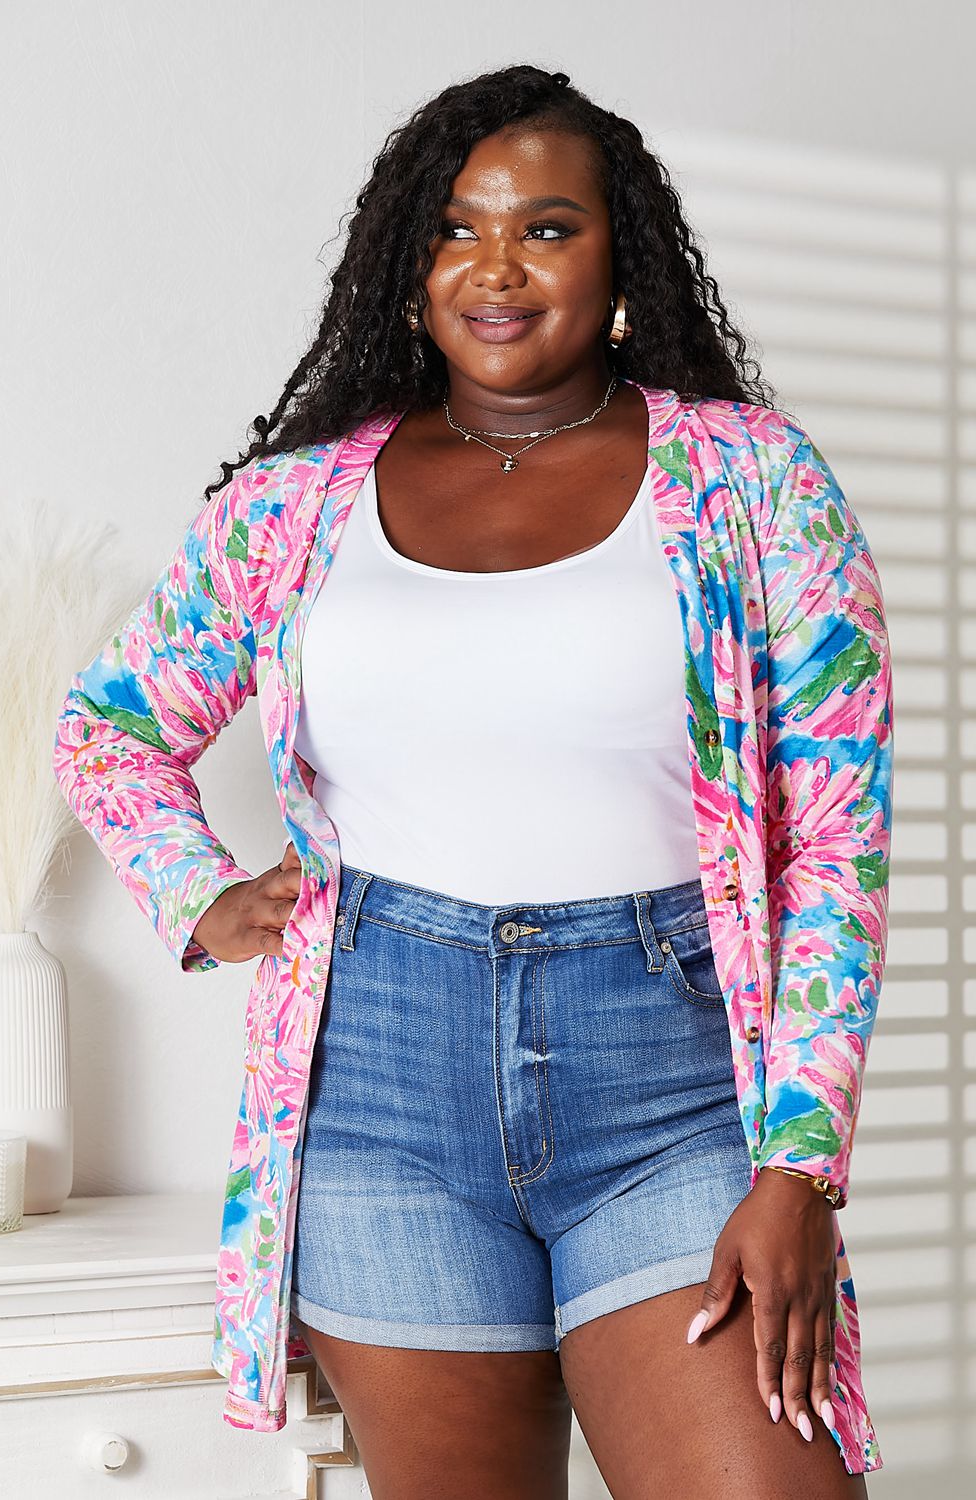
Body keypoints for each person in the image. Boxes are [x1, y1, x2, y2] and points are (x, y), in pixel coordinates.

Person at [53, 63, 893, 1499]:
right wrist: (202, 892)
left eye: (550, 228)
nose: (497, 268)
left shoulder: (757, 485)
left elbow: (832, 846)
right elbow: (109, 725)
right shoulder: (295, 502)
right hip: (379, 1089)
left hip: (677, 1093)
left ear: (620, 255)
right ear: (411, 262)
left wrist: (802, 1167)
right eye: (458, 229)